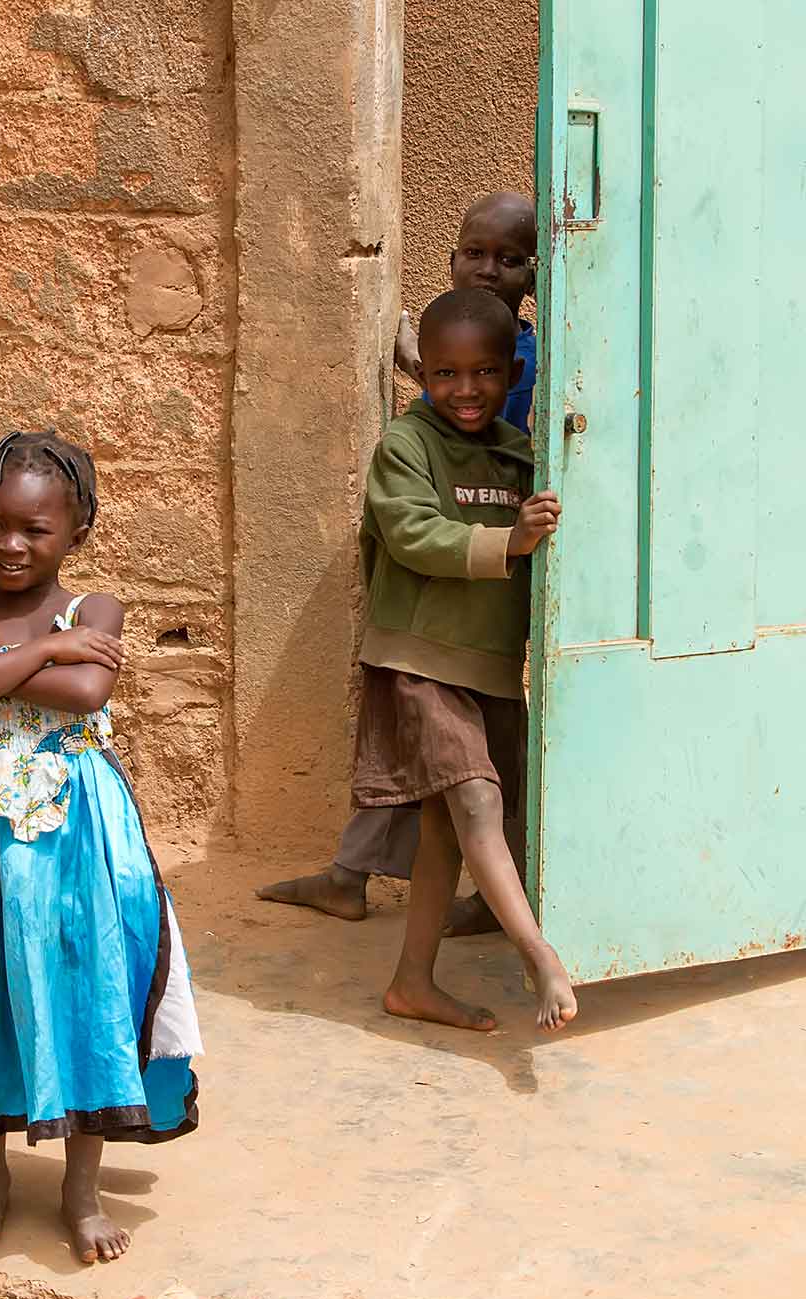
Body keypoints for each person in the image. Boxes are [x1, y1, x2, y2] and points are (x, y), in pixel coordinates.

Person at [0, 431, 202, 1264]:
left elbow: (89, 689)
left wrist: (10, 662)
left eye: (34, 529)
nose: (9, 544)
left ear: (77, 531)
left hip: (78, 843)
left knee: (84, 985)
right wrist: (48, 649)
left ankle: (80, 1190)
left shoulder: (99, 610)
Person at [258, 190, 539, 932]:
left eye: (509, 259)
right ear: (449, 259)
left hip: (479, 601)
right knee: (419, 762)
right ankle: (358, 879)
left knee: (478, 775)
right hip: (442, 596)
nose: (488, 270)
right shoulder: (413, 438)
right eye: (473, 254)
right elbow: (424, 505)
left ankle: (445, 898)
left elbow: (490, 439)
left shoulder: (529, 358)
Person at [358, 289, 576, 1033]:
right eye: (446, 374)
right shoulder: (405, 447)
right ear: (424, 375)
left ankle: (410, 982)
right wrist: (507, 542)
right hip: (418, 661)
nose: (466, 390)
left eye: (484, 372)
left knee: (446, 830)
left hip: (487, 668)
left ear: (513, 370)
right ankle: (538, 951)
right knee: (476, 800)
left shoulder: (521, 458)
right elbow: (412, 533)